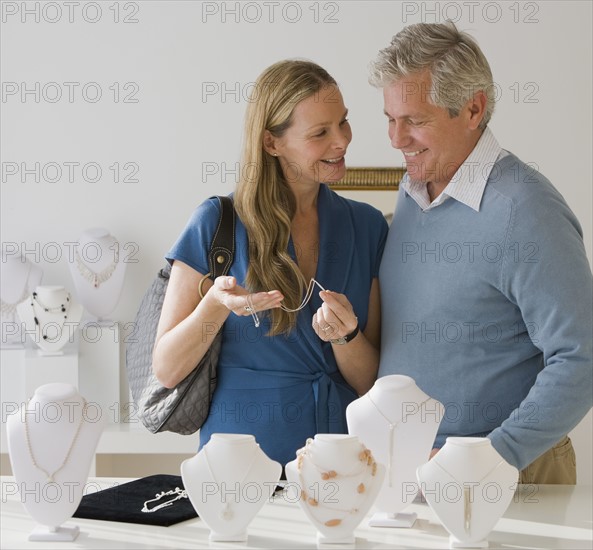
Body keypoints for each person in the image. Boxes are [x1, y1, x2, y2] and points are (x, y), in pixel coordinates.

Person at [371, 21, 593, 484]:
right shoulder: (413, 190)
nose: (396, 139)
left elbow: (581, 355)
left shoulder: (526, 210)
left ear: (473, 109)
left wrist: (492, 458)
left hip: (504, 474)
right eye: (390, 118)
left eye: (414, 120)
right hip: (413, 475)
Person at [152, 59, 389, 466]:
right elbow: (167, 370)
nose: (342, 142)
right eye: (320, 133)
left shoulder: (366, 226)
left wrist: (345, 337)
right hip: (237, 467)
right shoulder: (215, 224)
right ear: (271, 143)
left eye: (343, 123)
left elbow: (369, 382)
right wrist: (216, 306)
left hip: (341, 466)